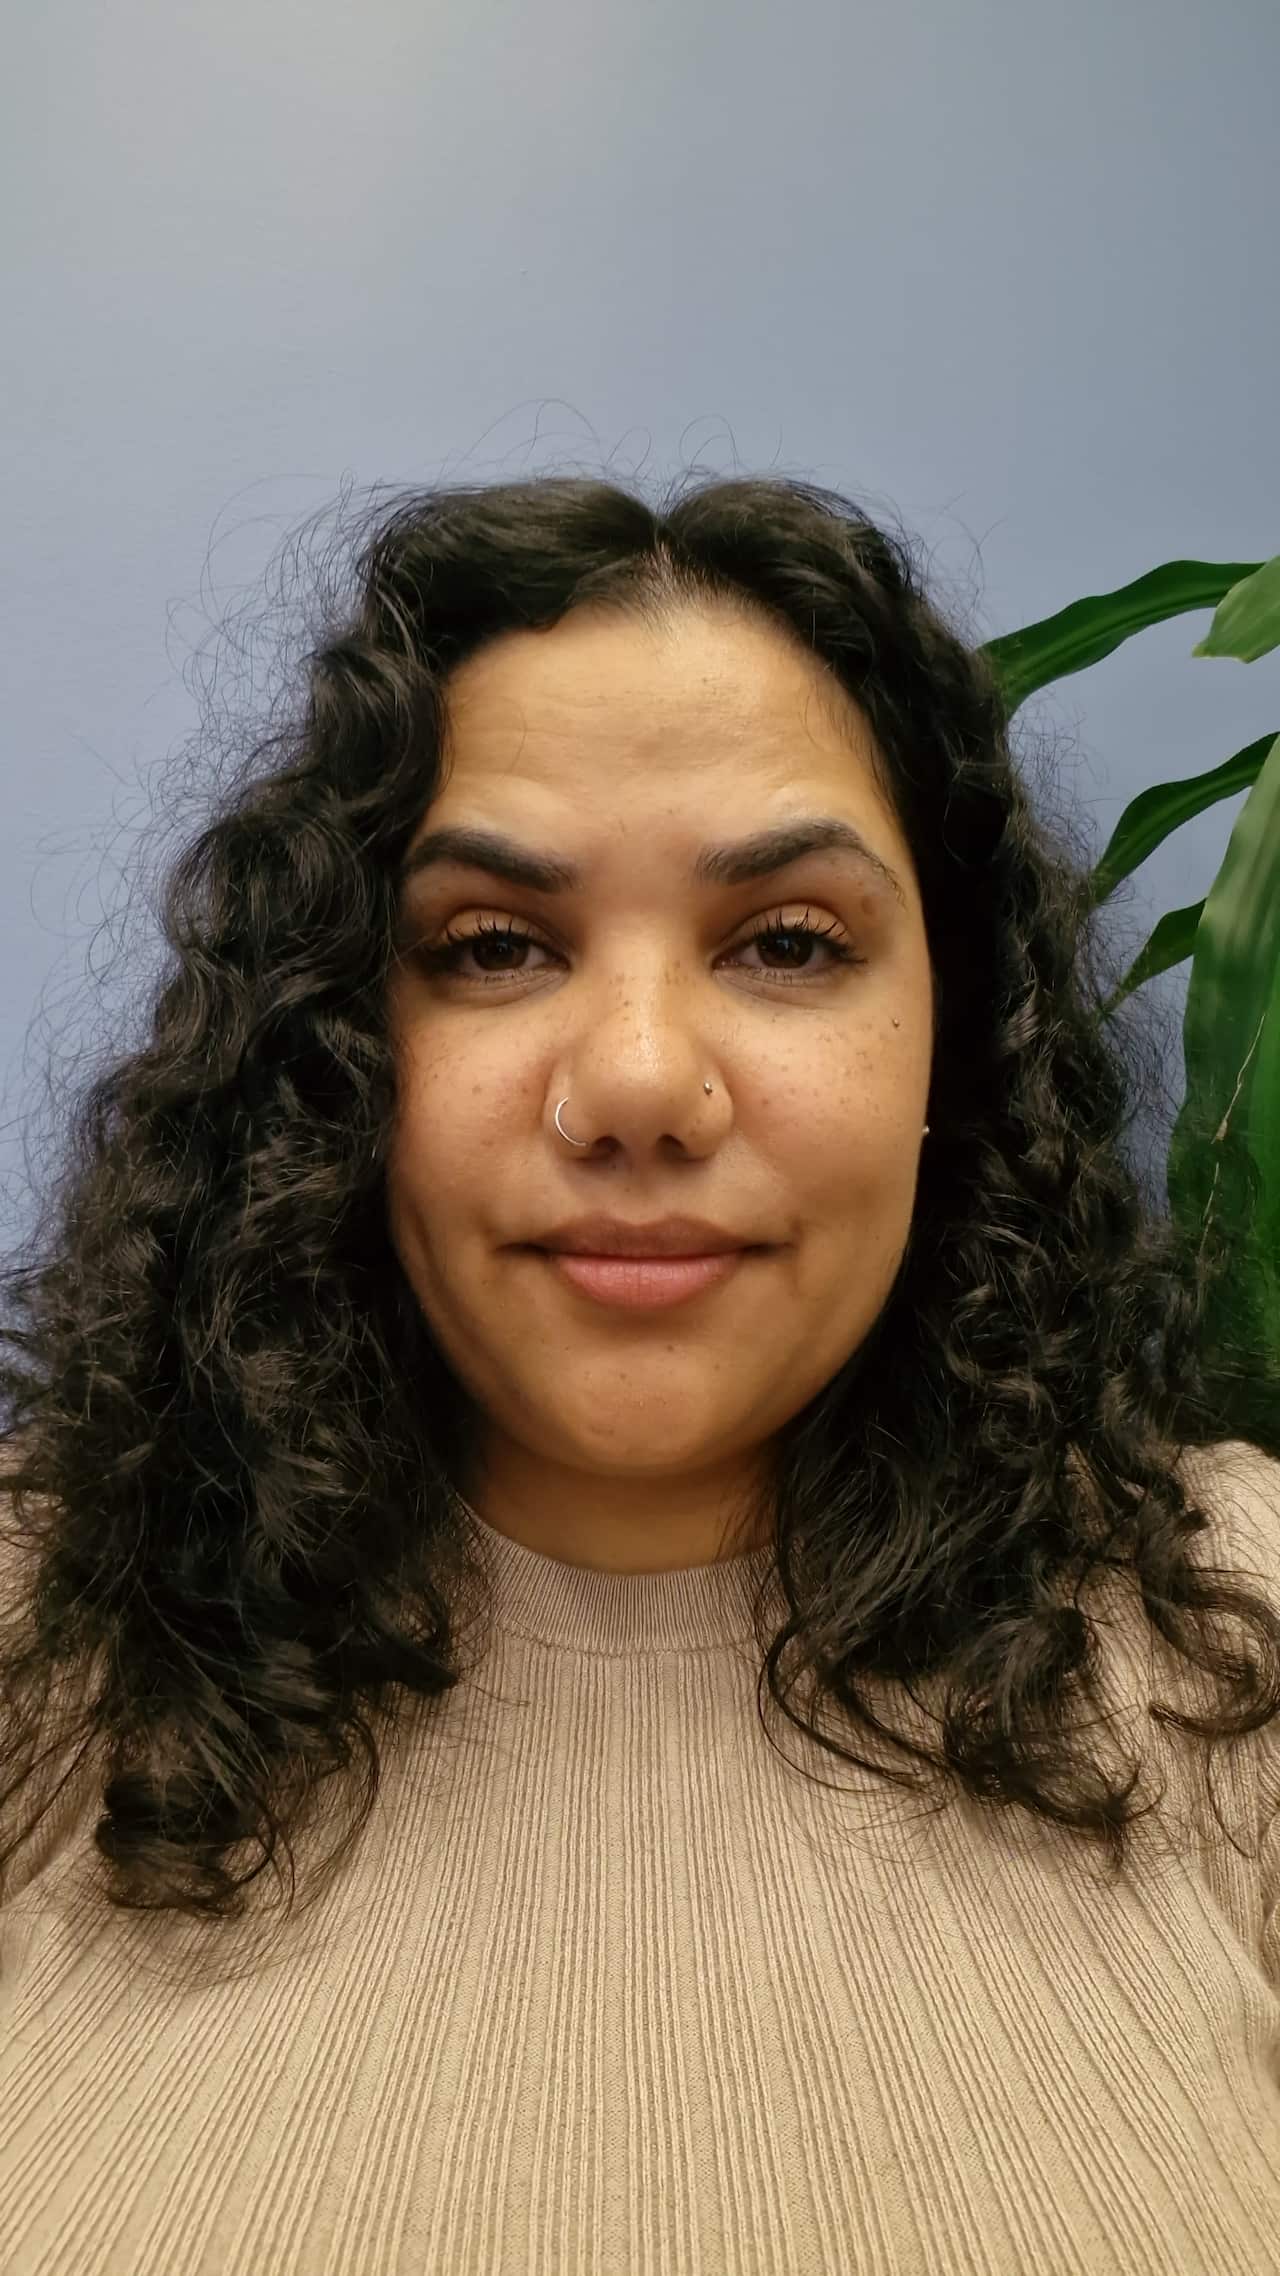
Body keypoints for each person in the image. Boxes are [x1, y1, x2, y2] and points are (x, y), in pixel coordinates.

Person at [0, 471, 1277, 2274]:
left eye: (786, 944)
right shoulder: (39, 1633)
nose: (637, 1087)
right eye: (495, 948)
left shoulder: (1247, 1637)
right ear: (334, 1045)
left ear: (957, 1035)